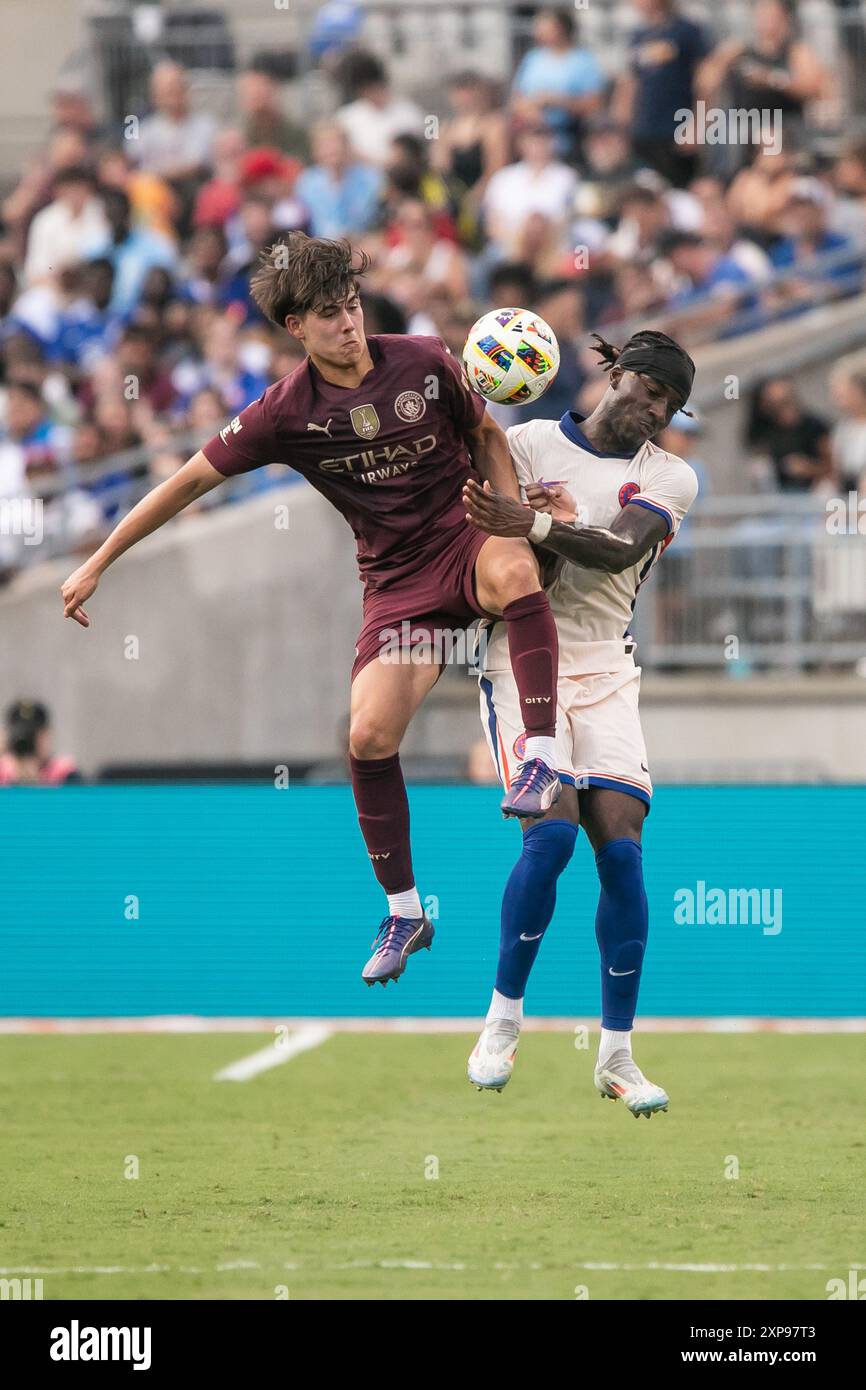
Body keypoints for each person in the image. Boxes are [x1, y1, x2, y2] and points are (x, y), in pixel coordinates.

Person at [60, 233, 563, 987]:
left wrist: (509, 507)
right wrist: (99, 561)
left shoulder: (425, 360)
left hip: (468, 537)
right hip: (399, 584)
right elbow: (188, 484)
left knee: (518, 570)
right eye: (330, 314)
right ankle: (403, 911)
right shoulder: (283, 413)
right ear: (296, 327)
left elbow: (486, 433)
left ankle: (542, 759)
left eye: (354, 306)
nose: (349, 323)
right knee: (366, 733)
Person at [462, 330, 699, 1115]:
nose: (655, 413)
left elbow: (619, 551)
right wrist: (537, 531)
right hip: (523, 658)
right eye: (650, 393)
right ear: (618, 376)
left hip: (606, 664)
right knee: (553, 834)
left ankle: (618, 1057)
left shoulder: (669, 476)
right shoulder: (527, 445)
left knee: (623, 856)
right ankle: (502, 1020)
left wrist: (538, 524)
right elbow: (514, 567)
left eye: (667, 407)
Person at [0, 700, 81, 785]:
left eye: (32, 735)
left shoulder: (66, 775)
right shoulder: (2, 772)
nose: (26, 743)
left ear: (47, 734)